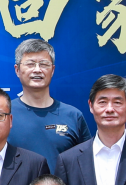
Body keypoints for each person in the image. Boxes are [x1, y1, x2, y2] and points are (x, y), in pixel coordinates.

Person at [6, 39, 90, 175]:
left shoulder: (73, 115)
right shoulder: (3, 114)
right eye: (30, 64)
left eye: (44, 64)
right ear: (17, 70)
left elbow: (87, 165)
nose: (37, 70)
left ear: (52, 70)